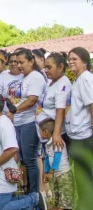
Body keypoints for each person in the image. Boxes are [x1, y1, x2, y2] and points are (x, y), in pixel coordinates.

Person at [0, 93, 46, 210]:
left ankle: (34, 198)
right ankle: (29, 201)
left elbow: (12, 149)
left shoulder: (3, 123)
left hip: (0, 175)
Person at [6, 48, 47, 194]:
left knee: (30, 160)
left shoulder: (35, 77)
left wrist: (14, 111)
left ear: (31, 61)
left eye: (22, 62)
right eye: (17, 62)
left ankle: (34, 193)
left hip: (30, 122)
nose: (19, 65)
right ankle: (27, 190)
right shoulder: (24, 78)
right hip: (19, 123)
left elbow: (31, 100)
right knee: (23, 159)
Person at [36, 52, 72, 197]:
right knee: (51, 165)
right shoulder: (50, 82)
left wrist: (56, 133)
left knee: (60, 170)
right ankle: (56, 199)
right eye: (45, 67)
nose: (46, 70)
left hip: (57, 134)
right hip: (48, 134)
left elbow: (60, 110)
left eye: (49, 67)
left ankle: (62, 202)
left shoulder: (63, 84)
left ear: (61, 66)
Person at [65, 47, 93, 206]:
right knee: (80, 177)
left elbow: (92, 105)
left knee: (85, 178)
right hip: (77, 135)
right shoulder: (78, 79)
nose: (70, 62)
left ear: (85, 62)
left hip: (84, 136)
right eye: (69, 59)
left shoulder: (86, 79)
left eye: (74, 59)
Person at [39, 119, 73, 210]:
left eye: (40, 131)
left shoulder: (58, 141)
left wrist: (50, 172)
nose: (39, 134)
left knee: (65, 199)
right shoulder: (47, 144)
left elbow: (57, 158)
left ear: (46, 132)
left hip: (63, 174)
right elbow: (47, 158)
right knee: (57, 197)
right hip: (56, 175)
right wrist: (46, 172)